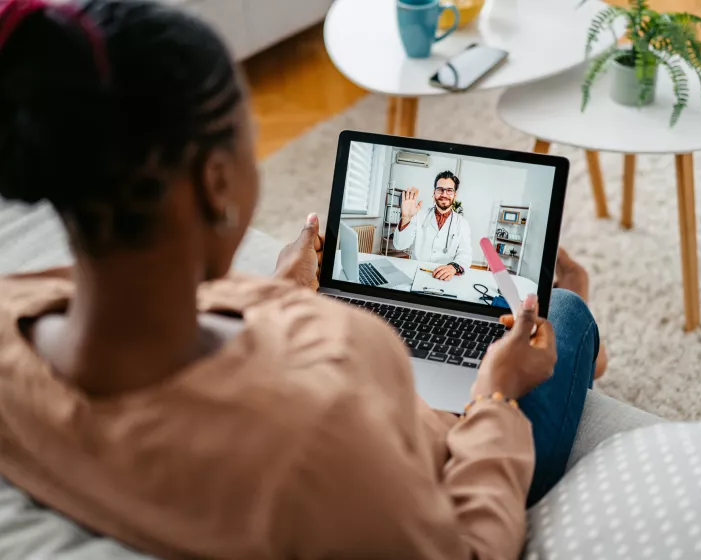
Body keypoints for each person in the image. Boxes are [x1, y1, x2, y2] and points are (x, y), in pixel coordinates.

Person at [0, 1, 599, 558]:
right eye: (248, 143)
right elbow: (465, 548)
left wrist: (280, 292)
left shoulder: (11, 319)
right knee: (565, 310)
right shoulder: (317, 442)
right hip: (449, 450)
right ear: (216, 182)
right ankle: (581, 353)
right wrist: (495, 390)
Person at [393, 170, 473, 281]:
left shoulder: (463, 223)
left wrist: (452, 267)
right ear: (434, 193)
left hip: (446, 277)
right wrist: (406, 218)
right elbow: (399, 245)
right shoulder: (418, 215)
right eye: (440, 189)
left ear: (455, 195)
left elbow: (465, 254)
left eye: (449, 190)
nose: (444, 194)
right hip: (417, 273)